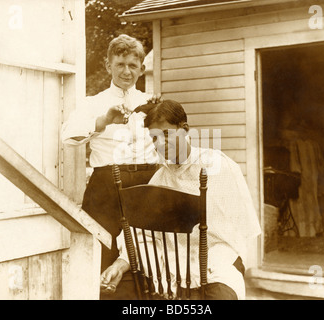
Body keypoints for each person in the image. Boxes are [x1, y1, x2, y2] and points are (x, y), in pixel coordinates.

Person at [101, 100, 261, 300]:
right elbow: (144, 236)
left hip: (216, 265)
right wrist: (119, 265)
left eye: (166, 134)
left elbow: (238, 232)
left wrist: (199, 273)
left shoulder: (218, 166)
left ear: (184, 129)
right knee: (113, 295)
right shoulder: (159, 179)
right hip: (168, 265)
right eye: (154, 138)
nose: (160, 144)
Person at [61, 34, 161, 295]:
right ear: (108, 66)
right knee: (103, 256)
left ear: (141, 68)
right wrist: (102, 121)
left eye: (132, 65)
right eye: (120, 64)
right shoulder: (93, 103)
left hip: (148, 184)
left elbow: (173, 142)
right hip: (106, 188)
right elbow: (68, 138)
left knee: (150, 253)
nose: (126, 71)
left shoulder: (152, 103)